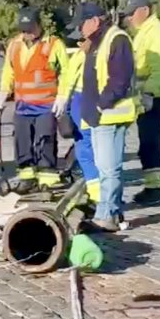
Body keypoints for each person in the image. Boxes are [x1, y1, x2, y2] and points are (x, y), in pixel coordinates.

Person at [72, 2, 138, 232]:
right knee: (104, 168)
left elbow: (119, 79)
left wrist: (101, 104)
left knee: (109, 169)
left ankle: (106, 216)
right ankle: (113, 212)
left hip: (110, 115)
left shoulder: (116, 39)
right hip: (98, 116)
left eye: (81, 25)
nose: (80, 30)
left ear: (94, 21)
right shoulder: (97, 42)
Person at [0, 7, 66, 192]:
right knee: (23, 142)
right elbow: (9, 71)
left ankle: (47, 179)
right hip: (22, 106)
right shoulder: (14, 45)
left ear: (38, 26)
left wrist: (63, 95)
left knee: (45, 140)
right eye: (23, 29)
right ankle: (27, 178)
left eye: (29, 29)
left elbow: (67, 72)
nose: (26, 33)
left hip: (46, 105)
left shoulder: (53, 44)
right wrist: (3, 91)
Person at [124, 0, 160, 206]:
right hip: (147, 96)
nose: (129, 19)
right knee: (148, 143)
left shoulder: (155, 32)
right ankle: (156, 185)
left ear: (144, 10)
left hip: (153, 96)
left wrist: (148, 94)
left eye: (131, 14)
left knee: (150, 143)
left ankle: (157, 189)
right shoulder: (145, 32)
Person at [53, 25, 99, 214]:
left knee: (88, 154)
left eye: (81, 40)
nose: (79, 44)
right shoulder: (86, 55)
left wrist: (63, 98)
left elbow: (70, 79)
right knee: (86, 153)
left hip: (87, 106)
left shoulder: (90, 56)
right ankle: (95, 196)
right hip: (82, 106)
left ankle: (97, 198)